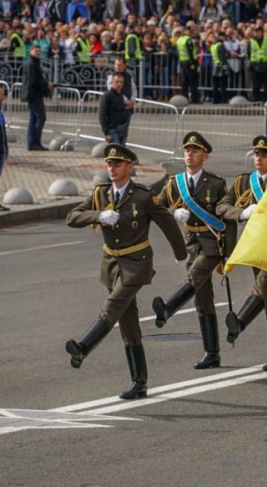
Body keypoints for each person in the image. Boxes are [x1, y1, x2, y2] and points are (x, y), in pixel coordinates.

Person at [65, 144, 188, 400]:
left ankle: (84, 347)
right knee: (128, 323)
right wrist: (98, 216)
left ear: (129, 167)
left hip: (136, 263)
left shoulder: (143, 196)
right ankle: (139, 382)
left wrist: (181, 253)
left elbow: (167, 223)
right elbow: (72, 217)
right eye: (109, 164)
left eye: (117, 164)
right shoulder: (101, 194)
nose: (112, 168)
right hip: (112, 265)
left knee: (113, 305)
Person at [153, 132, 236, 369]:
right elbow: (155, 207)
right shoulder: (173, 184)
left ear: (205, 155)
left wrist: (228, 250)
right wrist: (172, 213)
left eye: (195, 151)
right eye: (187, 150)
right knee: (202, 298)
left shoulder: (216, 183)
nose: (189, 154)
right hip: (191, 243)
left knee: (195, 277)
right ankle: (212, 353)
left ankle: (169, 308)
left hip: (212, 243)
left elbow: (226, 215)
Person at [216, 136, 267, 371]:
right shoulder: (244, 182)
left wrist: (259, 210)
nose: (258, 158)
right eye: (256, 154)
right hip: (257, 246)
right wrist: (241, 213)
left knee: (263, 285)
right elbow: (222, 206)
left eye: (264, 154)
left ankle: (240, 322)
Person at [20, 45, 54, 151]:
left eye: (39, 51)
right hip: (33, 94)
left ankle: (32, 142)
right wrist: (46, 84)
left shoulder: (35, 62)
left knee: (34, 118)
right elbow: (33, 80)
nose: (38, 52)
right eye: (36, 50)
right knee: (41, 117)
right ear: (31, 51)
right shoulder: (31, 63)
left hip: (35, 93)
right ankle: (35, 142)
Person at [99, 73, 128, 145]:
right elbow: (102, 115)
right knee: (116, 150)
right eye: (117, 82)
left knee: (121, 152)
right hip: (111, 129)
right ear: (112, 82)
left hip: (121, 130)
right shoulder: (107, 96)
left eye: (121, 82)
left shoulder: (121, 96)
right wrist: (106, 132)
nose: (119, 84)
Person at [247, 25, 267, 102]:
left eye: (260, 31)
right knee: (256, 84)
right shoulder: (251, 41)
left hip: (265, 64)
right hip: (255, 65)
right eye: (257, 31)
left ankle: (266, 99)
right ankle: (257, 99)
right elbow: (249, 52)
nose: (259, 33)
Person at [176, 26, 199, 104]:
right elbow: (190, 53)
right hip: (189, 62)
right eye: (190, 30)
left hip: (182, 62)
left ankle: (184, 98)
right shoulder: (188, 40)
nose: (191, 32)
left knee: (184, 82)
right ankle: (194, 99)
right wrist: (192, 63)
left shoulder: (179, 39)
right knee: (193, 82)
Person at [210, 31, 229, 105]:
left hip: (214, 66)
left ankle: (215, 99)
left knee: (215, 85)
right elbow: (223, 59)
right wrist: (225, 68)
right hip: (220, 67)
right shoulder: (220, 45)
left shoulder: (213, 45)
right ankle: (223, 100)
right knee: (222, 85)